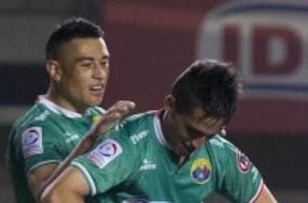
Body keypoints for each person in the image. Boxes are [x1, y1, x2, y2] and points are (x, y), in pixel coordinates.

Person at [40, 59, 278, 203]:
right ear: (171, 105)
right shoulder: (129, 144)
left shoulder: (220, 155)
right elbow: (59, 194)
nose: (197, 145)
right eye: (192, 130)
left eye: (210, 135)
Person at [6, 17, 135, 203]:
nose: (100, 74)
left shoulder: (99, 116)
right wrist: (90, 140)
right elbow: (44, 192)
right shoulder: (37, 128)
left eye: (104, 62)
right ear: (55, 70)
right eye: (86, 65)